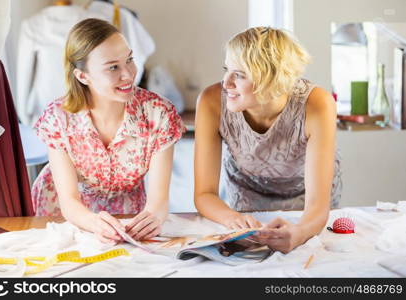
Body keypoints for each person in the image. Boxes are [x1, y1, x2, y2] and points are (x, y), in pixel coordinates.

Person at [32, 18, 185, 244]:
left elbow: (159, 201)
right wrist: (94, 223)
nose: (128, 74)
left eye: (130, 60)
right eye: (113, 67)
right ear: (82, 76)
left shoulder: (158, 113)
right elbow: (69, 202)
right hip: (67, 218)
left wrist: (153, 217)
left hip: (130, 213)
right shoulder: (58, 118)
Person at [194, 27, 341, 253]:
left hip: (304, 201)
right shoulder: (211, 101)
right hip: (245, 194)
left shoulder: (317, 103)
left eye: (240, 74)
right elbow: (204, 194)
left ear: (272, 80)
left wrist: (300, 232)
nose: (226, 83)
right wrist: (232, 219)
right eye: (227, 70)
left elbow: (318, 206)